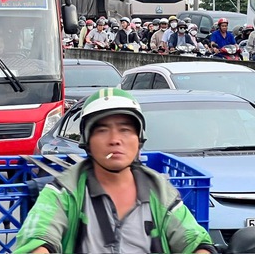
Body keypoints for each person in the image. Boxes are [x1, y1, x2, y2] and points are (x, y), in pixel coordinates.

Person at [14, 89, 216, 253]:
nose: (115, 140)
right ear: (87, 142)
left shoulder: (160, 192)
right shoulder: (63, 192)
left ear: (139, 139)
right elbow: (38, 236)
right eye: (102, 130)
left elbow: (193, 240)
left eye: (125, 130)